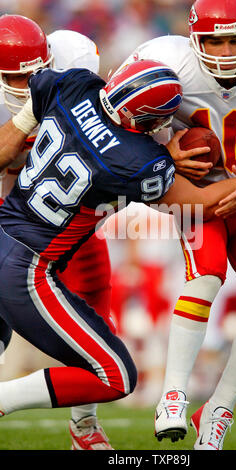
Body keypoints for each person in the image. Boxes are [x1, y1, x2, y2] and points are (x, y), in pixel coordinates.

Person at [0, 56, 236, 449]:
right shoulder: (135, 161)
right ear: (144, 119)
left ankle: (84, 433)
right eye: (158, 122)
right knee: (115, 375)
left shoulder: (75, 83)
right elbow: (204, 203)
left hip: (4, 229)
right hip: (25, 267)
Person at [121, 0, 236, 450]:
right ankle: (173, 394)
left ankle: (218, 409)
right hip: (196, 194)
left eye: (234, 38)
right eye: (214, 39)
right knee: (206, 274)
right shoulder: (165, 59)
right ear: (194, 38)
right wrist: (165, 154)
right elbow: (120, 125)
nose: (224, 49)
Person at [0, 13, 114, 450]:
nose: (27, 82)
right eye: (14, 75)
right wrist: (29, 116)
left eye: (36, 73)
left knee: (96, 296)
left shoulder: (76, 54)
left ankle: (84, 426)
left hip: (67, 199)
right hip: (10, 199)